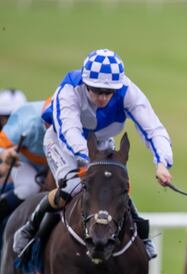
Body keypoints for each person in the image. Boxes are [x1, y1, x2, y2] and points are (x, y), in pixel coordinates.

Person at [13, 49, 174, 261]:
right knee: (73, 186)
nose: (102, 97)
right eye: (96, 91)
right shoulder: (70, 87)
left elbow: (153, 128)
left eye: (108, 93)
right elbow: (69, 131)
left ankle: (141, 236)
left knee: (115, 184)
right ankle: (30, 227)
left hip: (101, 143)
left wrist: (162, 162)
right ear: (86, 84)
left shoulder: (128, 91)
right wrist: (90, 163)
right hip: (62, 142)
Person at [0, 99, 49, 219]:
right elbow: (1, 145)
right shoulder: (28, 119)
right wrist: (6, 154)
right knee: (29, 187)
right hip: (24, 163)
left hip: (54, 166)